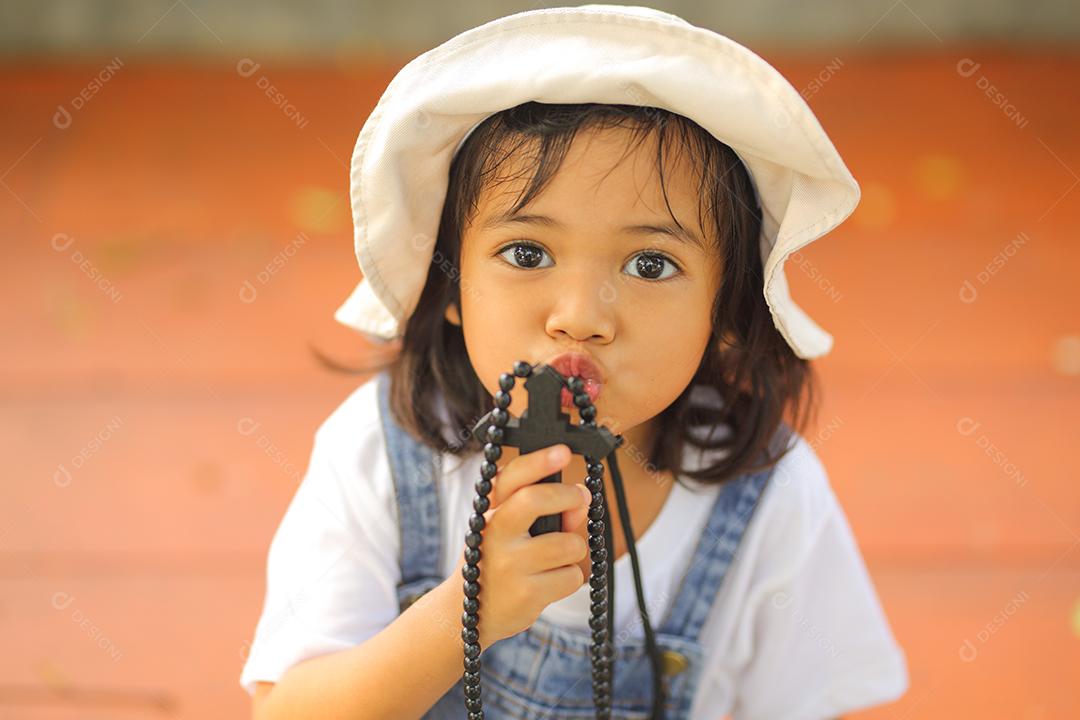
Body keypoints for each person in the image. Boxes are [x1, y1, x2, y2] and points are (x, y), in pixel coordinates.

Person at [241, 5, 909, 719]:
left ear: (725, 314)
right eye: (526, 254)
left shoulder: (769, 496)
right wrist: (469, 610)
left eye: (651, 264)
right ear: (451, 286)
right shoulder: (382, 455)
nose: (582, 315)